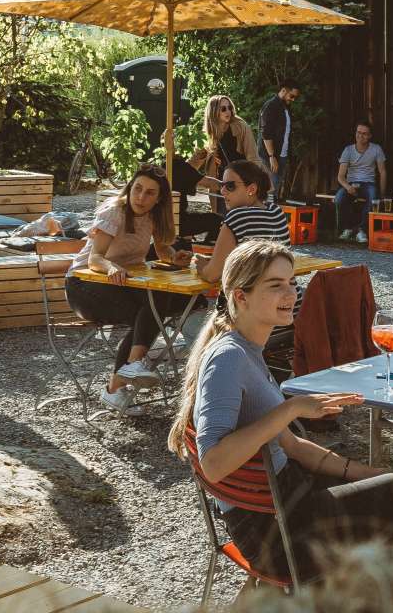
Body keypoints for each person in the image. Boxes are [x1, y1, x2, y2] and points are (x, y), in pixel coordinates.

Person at [169, 240, 393, 583]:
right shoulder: (229, 358)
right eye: (275, 285)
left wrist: (369, 473)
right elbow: (214, 463)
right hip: (283, 537)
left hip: (289, 508)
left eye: (292, 283)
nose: (290, 294)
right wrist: (291, 408)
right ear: (241, 297)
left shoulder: (245, 349)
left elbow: (293, 447)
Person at [65, 166, 196, 415]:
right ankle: (130, 370)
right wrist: (111, 267)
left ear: (159, 198)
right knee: (149, 310)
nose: (141, 197)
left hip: (124, 283)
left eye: (149, 193)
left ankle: (122, 378)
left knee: (160, 298)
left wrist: (174, 257)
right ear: (130, 187)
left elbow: (162, 251)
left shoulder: (154, 215)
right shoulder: (115, 211)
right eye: (137, 189)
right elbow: (95, 259)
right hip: (84, 285)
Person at [195, 159, 291, 285]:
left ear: (251, 189)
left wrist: (201, 266)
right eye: (222, 185)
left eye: (230, 186)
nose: (222, 191)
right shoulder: (276, 211)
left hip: (255, 295)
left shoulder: (237, 217)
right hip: (287, 293)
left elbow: (212, 275)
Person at [332, 120, 387, 243]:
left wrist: (382, 194)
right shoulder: (348, 150)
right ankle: (347, 229)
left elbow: (383, 172)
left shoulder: (376, 149)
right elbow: (340, 176)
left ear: (370, 136)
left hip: (368, 183)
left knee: (373, 197)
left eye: (364, 133)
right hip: (351, 183)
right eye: (358, 132)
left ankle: (362, 230)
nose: (360, 136)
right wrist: (348, 187)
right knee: (339, 199)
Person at [190, 95, 255, 183]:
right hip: (221, 182)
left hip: (242, 180)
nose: (228, 111)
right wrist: (179, 171)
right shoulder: (208, 134)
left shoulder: (240, 126)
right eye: (223, 109)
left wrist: (254, 180)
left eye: (229, 108)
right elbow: (195, 160)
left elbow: (252, 156)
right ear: (214, 111)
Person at [259, 80, 300, 203]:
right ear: (283, 90)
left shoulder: (285, 108)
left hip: (281, 155)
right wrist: (271, 156)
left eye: (295, 97)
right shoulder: (271, 106)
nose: (293, 99)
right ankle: (265, 213)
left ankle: (270, 212)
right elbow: (266, 133)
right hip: (270, 157)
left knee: (274, 190)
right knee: (269, 190)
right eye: (291, 96)